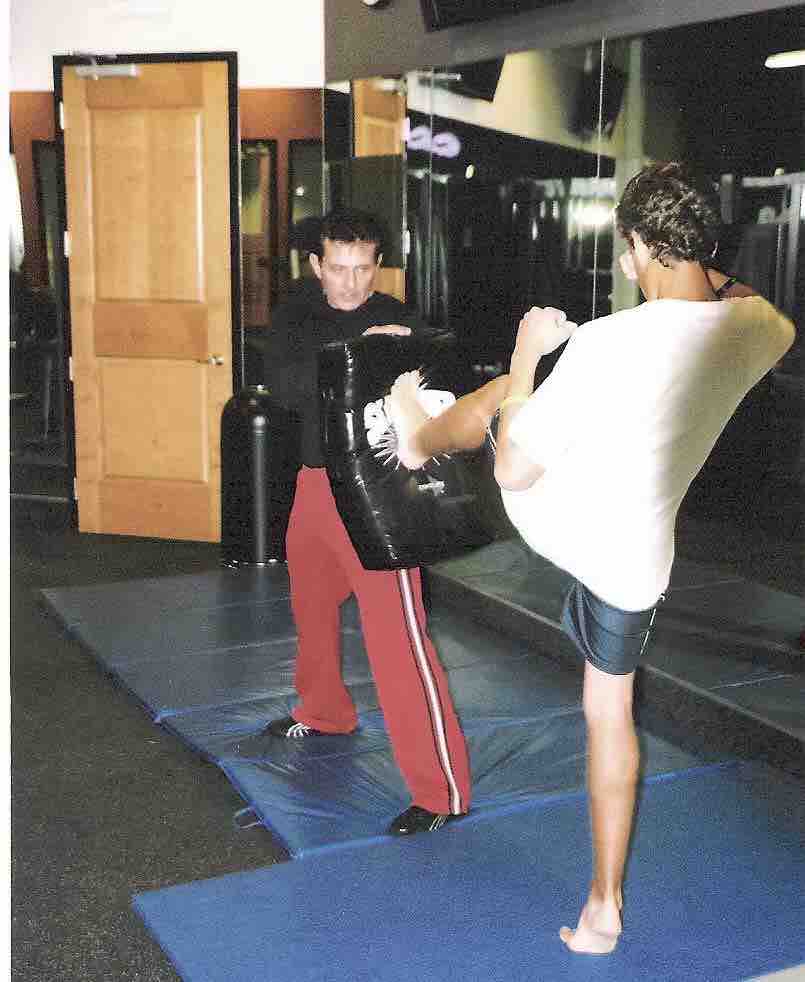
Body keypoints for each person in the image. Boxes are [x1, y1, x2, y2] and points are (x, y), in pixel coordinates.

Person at [385, 161, 795, 950]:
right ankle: (603, 911)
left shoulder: (608, 341)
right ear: (704, 249)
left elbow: (511, 471)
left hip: (553, 514)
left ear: (637, 243)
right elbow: (753, 307)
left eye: (629, 250)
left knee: (496, 400)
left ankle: (412, 433)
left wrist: (527, 353)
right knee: (608, 712)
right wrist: (697, 271)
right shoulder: (756, 328)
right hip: (637, 556)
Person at [260, 208, 472, 836]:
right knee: (311, 605)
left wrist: (387, 350)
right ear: (316, 265)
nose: (350, 284)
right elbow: (288, 387)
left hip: (378, 493)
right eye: (338, 269)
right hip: (314, 483)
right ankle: (324, 711)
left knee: (398, 636)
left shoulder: (404, 321)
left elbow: (436, 393)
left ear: (377, 265)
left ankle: (442, 791)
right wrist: (362, 352)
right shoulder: (298, 313)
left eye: (362, 269)